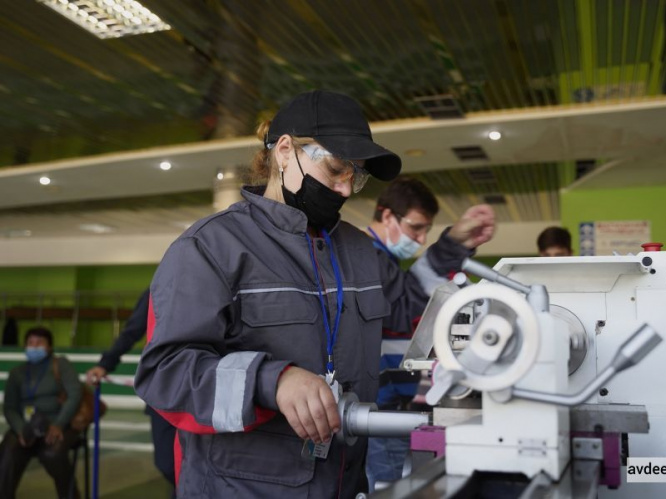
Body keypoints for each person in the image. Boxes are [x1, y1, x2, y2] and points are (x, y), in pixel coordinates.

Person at [133, 89, 495, 498]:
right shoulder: (209, 248)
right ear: (285, 151)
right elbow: (165, 374)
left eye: (355, 176)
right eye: (337, 168)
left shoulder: (358, 250)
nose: (344, 190)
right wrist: (273, 381)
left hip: (343, 484)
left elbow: (411, 308)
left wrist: (452, 246)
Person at [365, 177, 495, 488]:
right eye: (416, 228)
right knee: (388, 487)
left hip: (385, 406)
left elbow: (408, 295)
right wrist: (452, 245)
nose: (421, 239)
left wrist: (455, 243)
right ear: (387, 216)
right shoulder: (367, 259)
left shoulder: (384, 262)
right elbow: (406, 310)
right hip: (376, 409)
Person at [85, 289, 176, 494]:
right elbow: (132, 331)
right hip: (163, 390)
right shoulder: (157, 289)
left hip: (202, 388)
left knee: (197, 465)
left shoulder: (210, 284)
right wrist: (105, 363)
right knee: (167, 464)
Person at [0, 327, 82, 498]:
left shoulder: (61, 365)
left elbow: (75, 395)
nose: (34, 346)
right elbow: (9, 407)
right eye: (30, 343)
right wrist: (21, 429)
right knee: (8, 452)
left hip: (58, 423)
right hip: (26, 425)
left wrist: (59, 424)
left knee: (52, 454)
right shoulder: (17, 373)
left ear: (49, 347)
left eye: (39, 343)